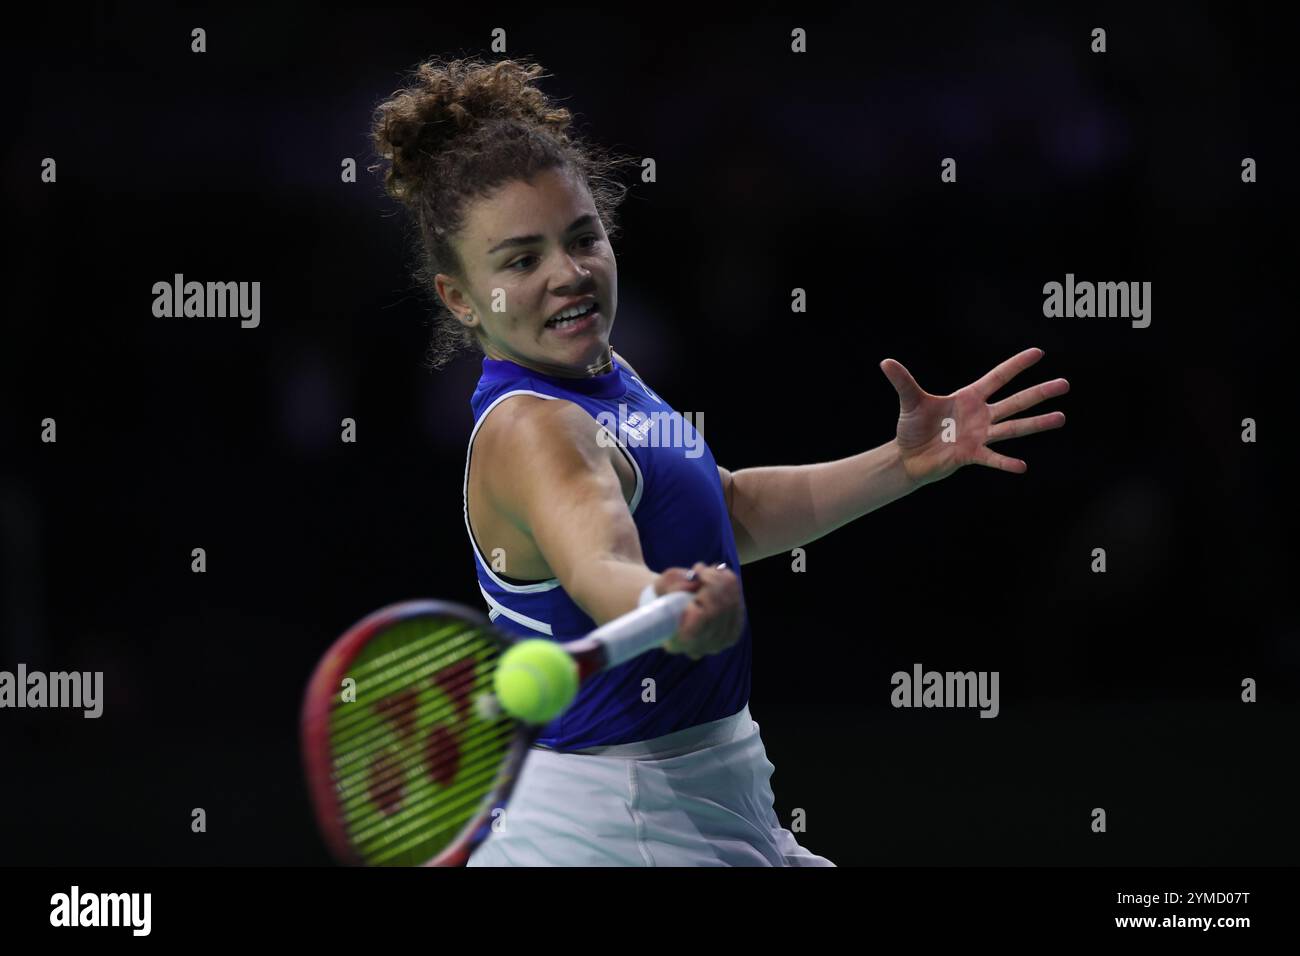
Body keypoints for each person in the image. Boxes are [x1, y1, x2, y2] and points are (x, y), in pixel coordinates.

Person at [369, 56, 1068, 866]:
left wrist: (904, 463)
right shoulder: (534, 429)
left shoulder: (604, 376)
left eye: (583, 237)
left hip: (695, 801)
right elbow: (602, 566)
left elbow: (726, 510)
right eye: (522, 260)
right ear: (461, 297)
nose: (568, 273)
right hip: (624, 828)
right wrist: (668, 604)